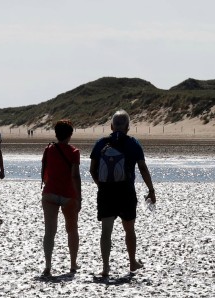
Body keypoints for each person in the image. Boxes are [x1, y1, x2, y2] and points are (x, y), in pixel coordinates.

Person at [88, 110, 156, 279]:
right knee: (129, 229)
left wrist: (101, 186)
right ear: (128, 127)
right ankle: (132, 261)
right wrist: (151, 190)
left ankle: (105, 268)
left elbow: (92, 169)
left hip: (106, 192)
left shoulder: (100, 143)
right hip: (126, 191)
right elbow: (142, 168)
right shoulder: (133, 143)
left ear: (111, 126)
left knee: (106, 232)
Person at [39, 119, 81, 278]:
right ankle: (72, 264)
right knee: (71, 230)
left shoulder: (48, 149)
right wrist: (79, 197)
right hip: (68, 194)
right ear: (70, 134)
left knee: (49, 231)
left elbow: (45, 173)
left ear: (56, 134)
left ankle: (48, 265)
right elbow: (75, 176)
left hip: (50, 193)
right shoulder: (74, 152)